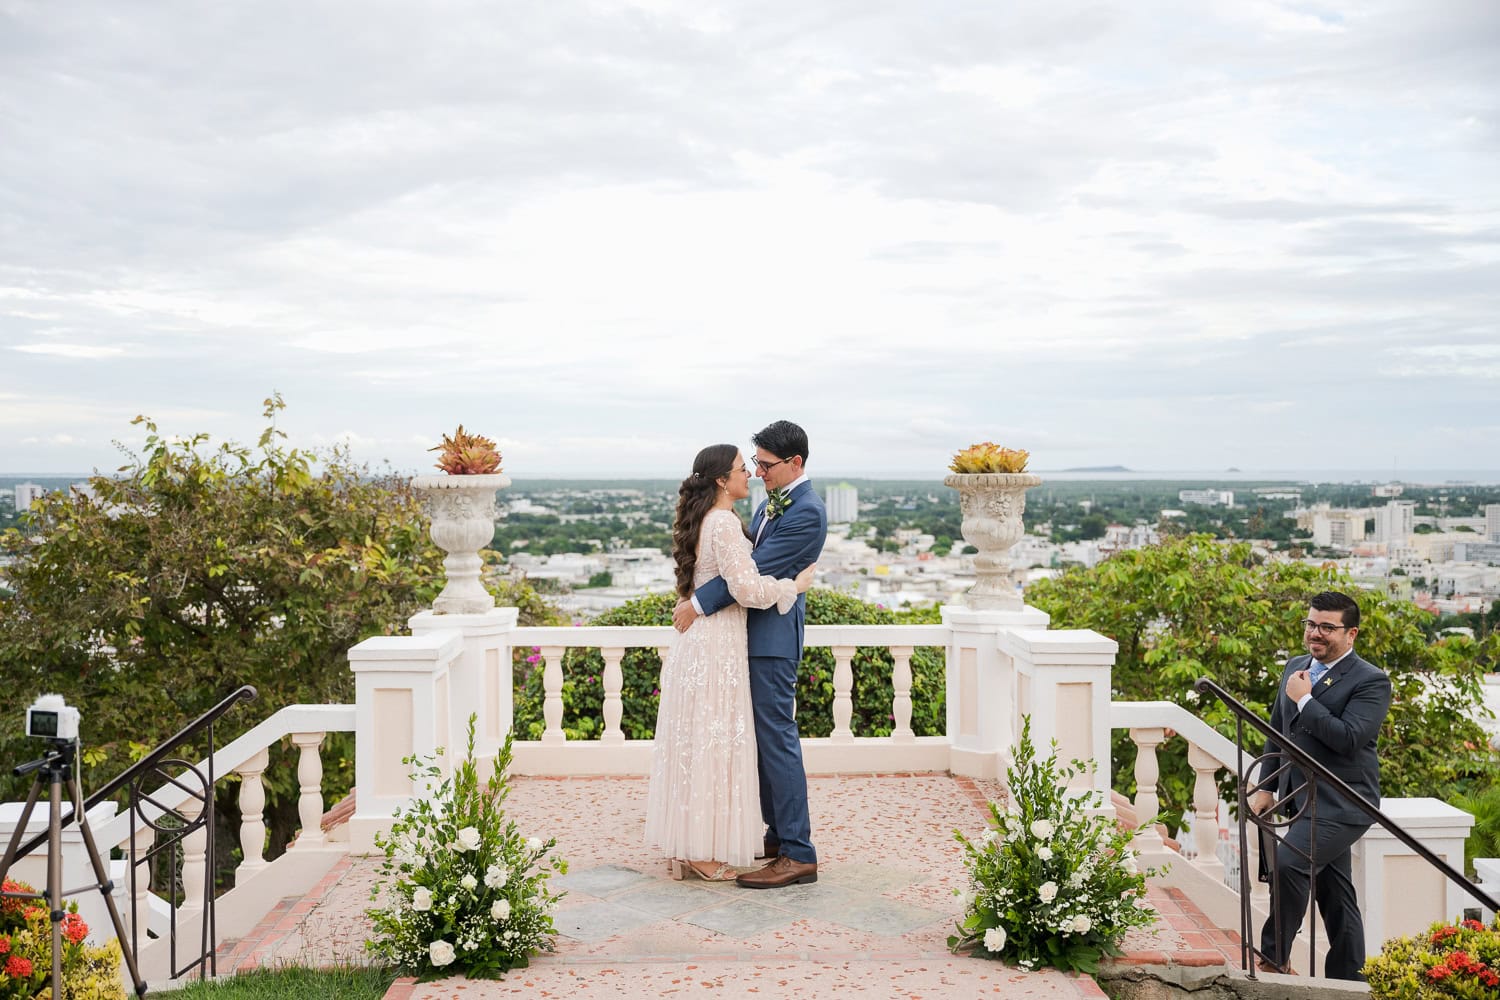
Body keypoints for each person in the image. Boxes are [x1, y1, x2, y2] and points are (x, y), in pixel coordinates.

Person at [643, 444, 815, 881]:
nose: (752, 474)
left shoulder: (708, 519)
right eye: (744, 467)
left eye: (760, 465)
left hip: (700, 641)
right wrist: (793, 586)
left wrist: (696, 602)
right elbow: (749, 589)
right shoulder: (726, 523)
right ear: (722, 480)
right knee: (713, 745)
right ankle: (701, 850)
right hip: (716, 643)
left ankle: (691, 843)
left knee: (698, 742)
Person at [1248, 590, 1392, 981]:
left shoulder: (1371, 681)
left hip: (1345, 801)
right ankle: (1350, 978)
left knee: (1290, 863)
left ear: (1352, 634)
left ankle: (1273, 958)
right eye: (1311, 624)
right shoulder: (1295, 667)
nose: (1317, 633)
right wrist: (1267, 787)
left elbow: (1348, 738)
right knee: (1335, 894)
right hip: (1302, 798)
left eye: (1328, 627)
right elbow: (1277, 731)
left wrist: (1307, 700)